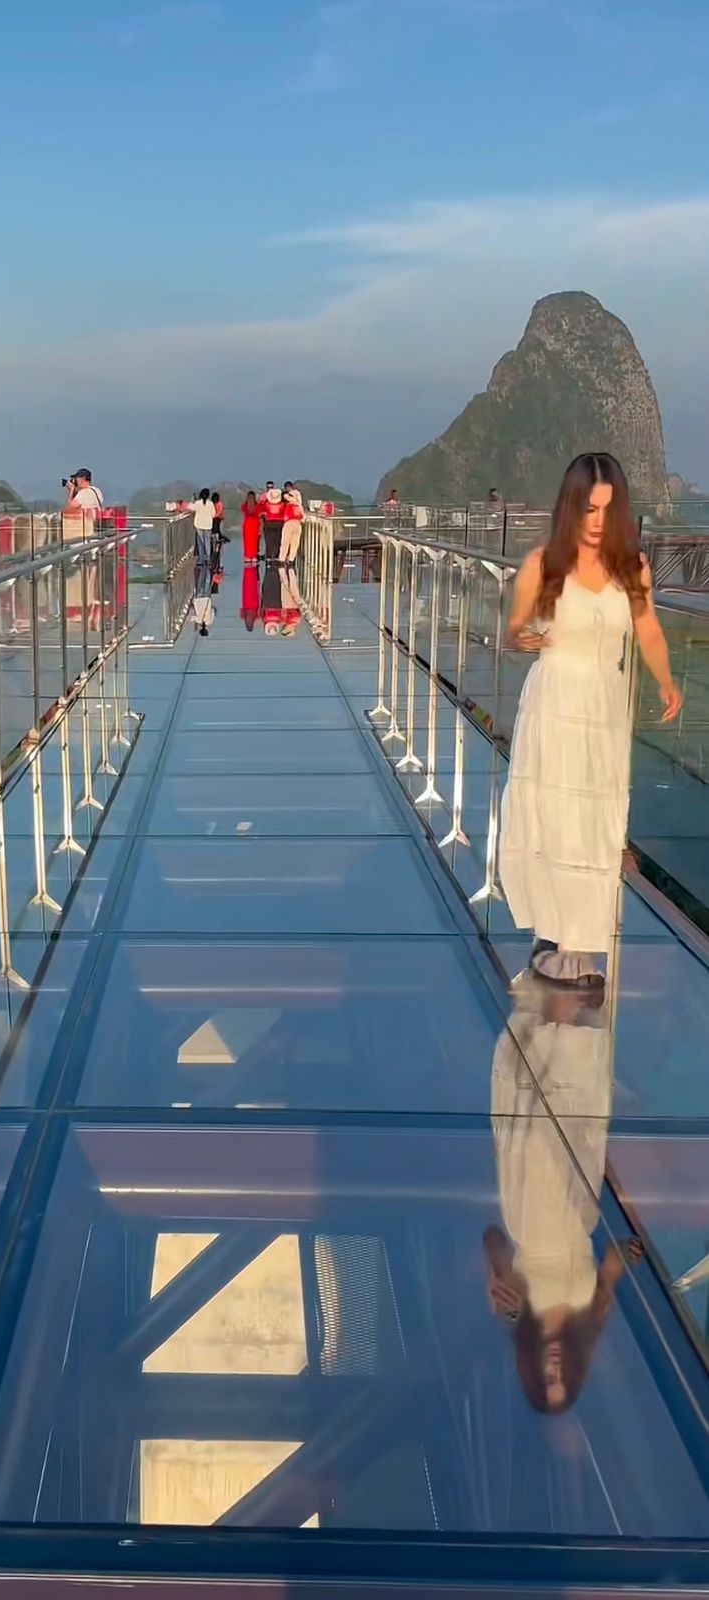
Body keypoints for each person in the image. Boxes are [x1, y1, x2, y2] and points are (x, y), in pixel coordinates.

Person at [499, 452, 682, 986]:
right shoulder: (544, 564)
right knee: (555, 815)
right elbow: (514, 628)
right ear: (571, 507)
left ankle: (578, 938)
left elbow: (648, 629)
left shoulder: (633, 567)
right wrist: (523, 638)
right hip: (554, 700)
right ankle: (554, 935)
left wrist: (666, 680)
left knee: (595, 821)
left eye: (607, 509)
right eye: (588, 509)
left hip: (603, 704)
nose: (598, 520)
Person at [485, 977, 641, 1413]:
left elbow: (493, 1239)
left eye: (545, 1378)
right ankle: (575, 1003)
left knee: (542, 1121)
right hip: (579, 1215)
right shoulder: (588, 1323)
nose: (554, 1368)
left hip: (534, 1220)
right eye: (563, 1379)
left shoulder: (515, 1318)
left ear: (532, 1369)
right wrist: (630, 1254)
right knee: (580, 1123)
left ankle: (554, 998)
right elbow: (611, 1267)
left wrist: (495, 1275)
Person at [188, 488, 216, 564]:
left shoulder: (197, 503)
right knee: (207, 542)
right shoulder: (211, 504)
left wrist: (192, 502)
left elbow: (191, 508)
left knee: (200, 543)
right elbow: (213, 515)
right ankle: (208, 558)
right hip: (208, 525)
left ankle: (201, 559)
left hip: (199, 525)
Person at [280, 481, 304, 565]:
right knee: (295, 542)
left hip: (289, 522)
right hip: (298, 522)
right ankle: (291, 559)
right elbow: (300, 506)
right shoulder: (299, 501)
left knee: (285, 542)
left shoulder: (287, 498)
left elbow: (285, 498)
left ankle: (282, 559)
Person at [260, 485, 284, 562]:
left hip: (269, 522)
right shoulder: (282, 504)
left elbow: (262, 512)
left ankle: (269, 555)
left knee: (269, 540)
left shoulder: (267, 504)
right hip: (279, 523)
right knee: (277, 539)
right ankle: (276, 555)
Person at [240, 489, 261, 563]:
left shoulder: (244, 506)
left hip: (247, 524)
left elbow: (242, 508)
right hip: (255, 524)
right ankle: (254, 556)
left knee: (247, 542)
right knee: (254, 541)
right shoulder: (257, 506)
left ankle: (247, 556)